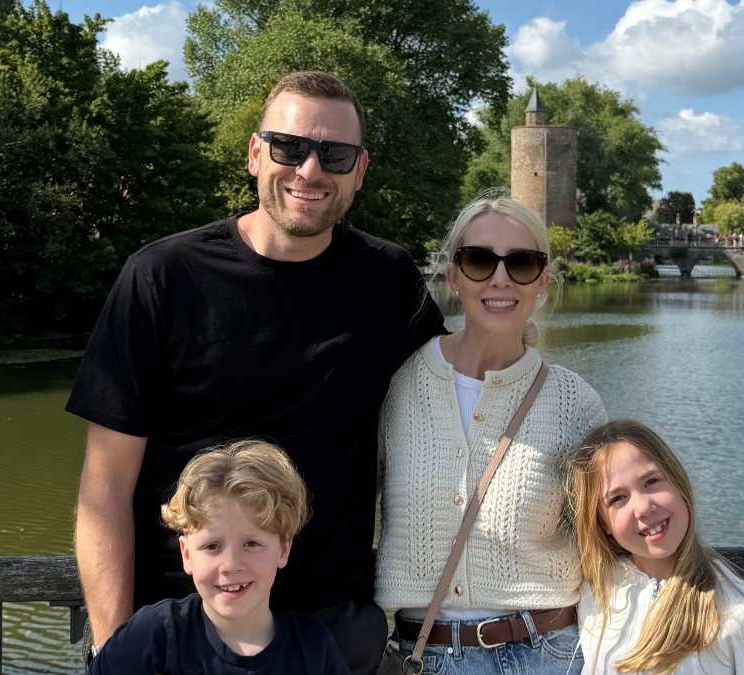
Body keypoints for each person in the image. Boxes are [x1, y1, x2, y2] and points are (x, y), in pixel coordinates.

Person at [67, 70, 445, 674]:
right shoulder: (163, 278)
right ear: (254, 153)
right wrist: (115, 650)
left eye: (336, 154)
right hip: (179, 636)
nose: (311, 170)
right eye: (290, 147)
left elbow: (461, 403)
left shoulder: (387, 281)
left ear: (360, 170)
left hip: (330, 640)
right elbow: (103, 488)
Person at [376, 194, 606, 673]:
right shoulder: (396, 386)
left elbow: (625, 535)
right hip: (426, 655)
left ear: (542, 280)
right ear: (453, 274)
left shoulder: (573, 401)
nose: (500, 279)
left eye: (521, 262)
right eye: (480, 260)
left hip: (549, 653)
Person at [88, 440, 349, 674]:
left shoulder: (314, 648)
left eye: (251, 543)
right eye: (212, 546)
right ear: (186, 554)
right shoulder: (152, 636)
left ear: (283, 550)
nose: (231, 565)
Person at [567, 419, 744, 674]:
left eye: (651, 482)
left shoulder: (741, 616)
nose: (643, 506)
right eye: (618, 498)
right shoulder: (594, 594)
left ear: (679, 483)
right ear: (601, 522)